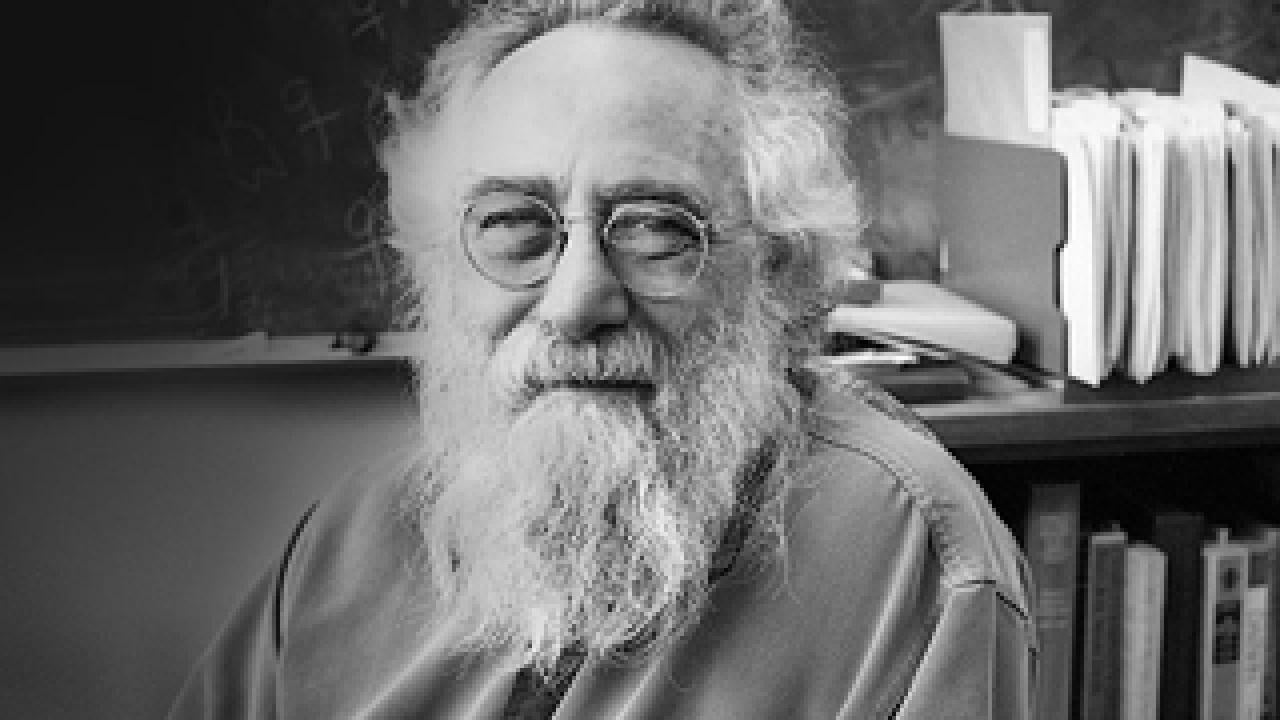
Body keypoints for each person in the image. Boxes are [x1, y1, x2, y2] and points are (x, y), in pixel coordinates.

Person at [169, 0, 1035, 717]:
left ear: (775, 269)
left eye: (659, 228)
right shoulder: (346, 546)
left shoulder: (908, 556)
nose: (577, 299)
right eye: (513, 225)